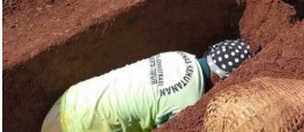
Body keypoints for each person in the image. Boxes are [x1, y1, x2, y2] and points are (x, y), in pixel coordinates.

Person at [41, 39, 253, 132]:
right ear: (221, 80)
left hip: (67, 102)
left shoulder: (179, 55)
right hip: (84, 128)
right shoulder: (191, 102)